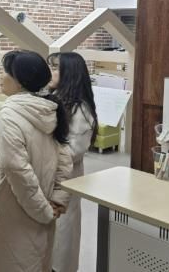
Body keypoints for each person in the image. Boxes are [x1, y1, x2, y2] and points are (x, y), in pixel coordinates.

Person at [0, 50, 72, 272]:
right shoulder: (48, 108)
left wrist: (43, 210)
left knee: (13, 262)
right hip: (42, 203)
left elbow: (17, 170)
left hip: (13, 208)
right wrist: (56, 200)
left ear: (20, 81)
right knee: (34, 260)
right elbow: (65, 159)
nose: (0, 76)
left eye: (5, 72)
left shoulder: (10, 115)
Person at [48, 52, 99, 272]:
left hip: (65, 182)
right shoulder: (53, 98)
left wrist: (42, 149)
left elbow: (72, 152)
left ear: (70, 74)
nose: (49, 72)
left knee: (62, 239)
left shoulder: (81, 110)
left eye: (55, 68)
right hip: (47, 179)